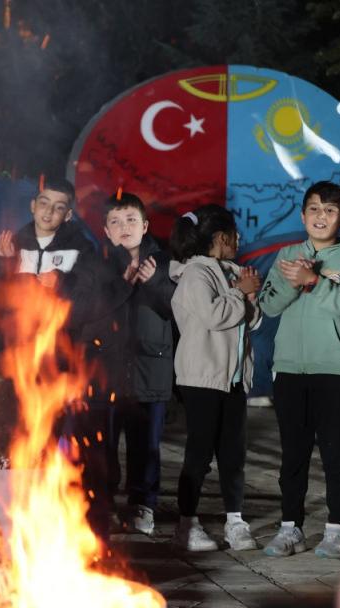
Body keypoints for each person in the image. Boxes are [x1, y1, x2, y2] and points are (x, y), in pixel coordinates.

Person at [257, 181, 340, 558]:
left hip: (336, 371)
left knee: (337, 455)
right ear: (302, 214)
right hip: (290, 370)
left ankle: (336, 531)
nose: (320, 216)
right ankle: (290, 528)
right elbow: (269, 305)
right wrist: (293, 282)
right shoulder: (288, 254)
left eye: (330, 210)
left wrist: (314, 282)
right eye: (314, 208)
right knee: (293, 455)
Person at [168, 205, 261, 552]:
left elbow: (252, 321)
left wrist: (249, 295)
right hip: (202, 378)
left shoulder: (233, 271)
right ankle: (186, 525)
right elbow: (213, 316)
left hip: (232, 378)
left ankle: (235, 522)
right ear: (222, 237)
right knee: (199, 453)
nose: (239, 240)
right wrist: (239, 293)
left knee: (233, 454)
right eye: (235, 234)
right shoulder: (195, 273)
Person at [94, 193, 175, 536]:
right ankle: (106, 503)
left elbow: (177, 308)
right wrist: (121, 284)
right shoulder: (98, 264)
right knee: (105, 444)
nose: (123, 227)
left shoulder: (166, 262)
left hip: (151, 367)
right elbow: (90, 311)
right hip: (109, 369)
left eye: (131, 220)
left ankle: (143, 505)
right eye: (115, 222)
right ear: (106, 231)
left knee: (147, 445)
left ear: (145, 226)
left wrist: (154, 282)